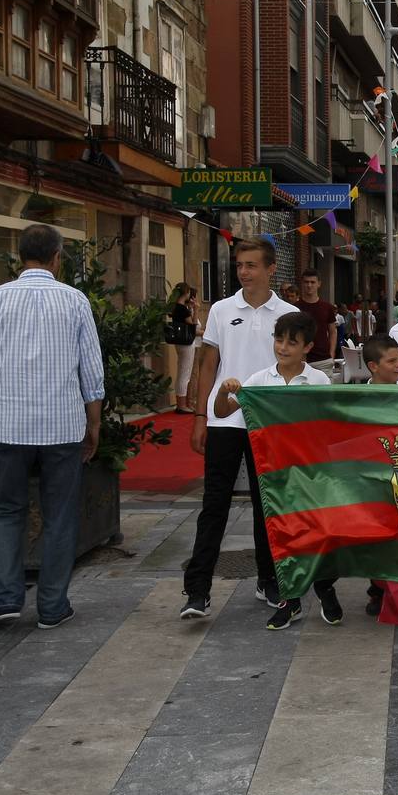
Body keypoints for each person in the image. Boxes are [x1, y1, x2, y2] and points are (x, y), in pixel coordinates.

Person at [0, 224, 104, 629]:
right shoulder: (75, 301)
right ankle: (52, 607)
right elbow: (92, 373)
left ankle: (6, 600)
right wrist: (94, 424)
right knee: (61, 515)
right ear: (57, 258)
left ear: (19, 256)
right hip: (62, 428)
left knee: (5, 511)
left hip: (7, 427)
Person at [181, 239, 298, 621]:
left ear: (270, 268)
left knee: (269, 507)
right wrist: (200, 417)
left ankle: (270, 579)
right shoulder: (220, 309)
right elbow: (207, 364)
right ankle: (197, 590)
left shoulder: (288, 312)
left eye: (251, 265)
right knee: (214, 505)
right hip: (224, 419)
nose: (244, 272)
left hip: (268, 423)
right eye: (239, 265)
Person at [213, 312, 339, 630]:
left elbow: (330, 424)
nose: (283, 347)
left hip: (311, 473)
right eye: (279, 340)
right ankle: (290, 599)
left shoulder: (319, 381)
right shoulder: (260, 381)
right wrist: (224, 390)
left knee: (319, 532)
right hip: (274, 475)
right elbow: (222, 411)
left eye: (292, 342)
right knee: (283, 537)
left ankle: (325, 587)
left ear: (308, 347)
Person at [361, 333, 398, 619]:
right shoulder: (354, 397)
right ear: (373, 366)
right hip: (369, 477)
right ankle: (377, 587)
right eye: (392, 361)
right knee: (373, 535)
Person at [293, 269, 337, 365]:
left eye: (312, 282)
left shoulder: (327, 307)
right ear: (302, 284)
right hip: (300, 360)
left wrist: (332, 353)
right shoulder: (294, 308)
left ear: (319, 284)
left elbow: (333, 332)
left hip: (324, 360)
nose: (309, 285)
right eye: (306, 282)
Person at [169, 283, 200, 413]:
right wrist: (196, 310)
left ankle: (180, 403)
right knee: (185, 374)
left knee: (181, 372)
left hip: (179, 341)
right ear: (186, 293)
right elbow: (192, 326)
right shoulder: (182, 309)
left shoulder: (174, 307)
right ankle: (182, 405)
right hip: (187, 342)